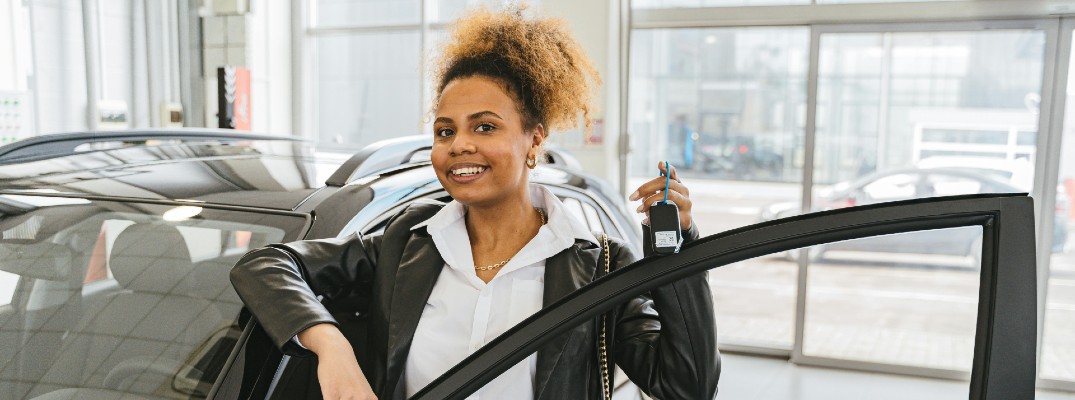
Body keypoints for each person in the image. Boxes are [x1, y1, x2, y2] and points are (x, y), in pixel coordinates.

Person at [230, 6, 719, 400]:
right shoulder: (405, 243)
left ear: (534, 141)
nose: (459, 145)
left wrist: (679, 255)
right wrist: (328, 342)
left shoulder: (601, 266)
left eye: (485, 126)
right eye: (446, 131)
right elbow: (265, 264)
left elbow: (686, 385)